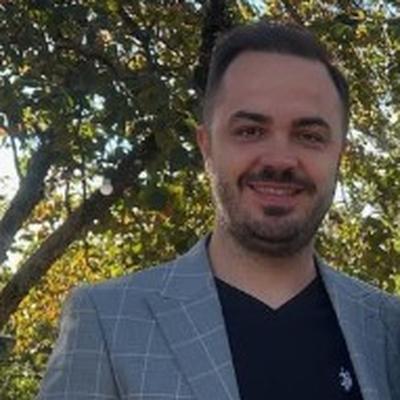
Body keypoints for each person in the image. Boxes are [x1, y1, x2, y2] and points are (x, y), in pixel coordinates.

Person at [38, 21, 400, 400]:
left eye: (309, 136)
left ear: (339, 154)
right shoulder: (108, 320)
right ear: (207, 146)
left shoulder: (386, 328)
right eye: (249, 131)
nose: (279, 159)